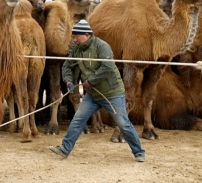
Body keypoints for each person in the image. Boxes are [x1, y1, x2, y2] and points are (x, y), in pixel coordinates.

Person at [48, 19, 146, 162]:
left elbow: (106, 67)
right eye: (73, 36)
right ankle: (65, 149)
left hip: (112, 93)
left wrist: (90, 82)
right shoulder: (76, 49)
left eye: (76, 36)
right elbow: (67, 66)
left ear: (87, 35)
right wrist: (68, 81)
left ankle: (139, 152)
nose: (74, 39)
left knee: (123, 123)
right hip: (93, 95)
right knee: (78, 120)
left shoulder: (102, 46)